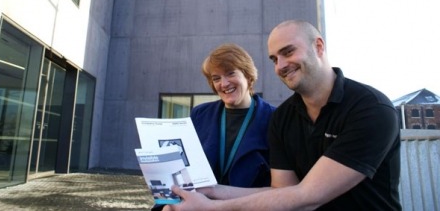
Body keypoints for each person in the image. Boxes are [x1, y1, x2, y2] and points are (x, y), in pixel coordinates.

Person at [164, 20, 401, 211]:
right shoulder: (284, 118)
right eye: (274, 59)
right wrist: (211, 191)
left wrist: (209, 207)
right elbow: (281, 192)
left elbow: (307, 197)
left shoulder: (371, 109)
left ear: (318, 47)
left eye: (288, 52)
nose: (280, 65)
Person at [191, 43, 275, 187]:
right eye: (216, 78)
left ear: (248, 76)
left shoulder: (274, 118)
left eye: (230, 73)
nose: (224, 84)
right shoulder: (199, 114)